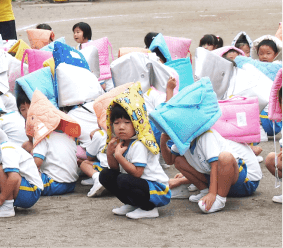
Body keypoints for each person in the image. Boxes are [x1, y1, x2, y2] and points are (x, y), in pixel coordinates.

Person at [98, 89, 171, 220]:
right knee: (106, 175)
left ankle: (149, 208)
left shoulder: (139, 143)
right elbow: (115, 169)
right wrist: (110, 154)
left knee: (123, 180)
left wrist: (119, 157)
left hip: (158, 189)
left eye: (127, 122)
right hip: (142, 185)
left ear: (136, 124)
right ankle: (132, 203)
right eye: (117, 123)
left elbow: (137, 173)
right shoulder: (122, 142)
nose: (121, 127)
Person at [160, 129, 262, 214]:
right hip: (222, 179)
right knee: (178, 160)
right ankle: (204, 191)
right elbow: (170, 161)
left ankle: (220, 199)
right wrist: (163, 142)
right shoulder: (182, 141)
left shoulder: (206, 135)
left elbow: (215, 164)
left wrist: (212, 193)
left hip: (246, 182)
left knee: (225, 157)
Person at [0, 140, 44, 218]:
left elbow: (14, 177)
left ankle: (7, 208)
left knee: (0, 169)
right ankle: (6, 204)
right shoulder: (0, 150)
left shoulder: (6, 150)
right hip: (25, 190)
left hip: (31, 191)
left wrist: (0, 199)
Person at [80, 129, 109, 197]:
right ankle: (96, 177)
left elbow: (90, 157)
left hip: (107, 170)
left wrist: (93, 139)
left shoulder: (100, 133)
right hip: (123, 171)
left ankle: (98, 178)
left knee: (84, 164)